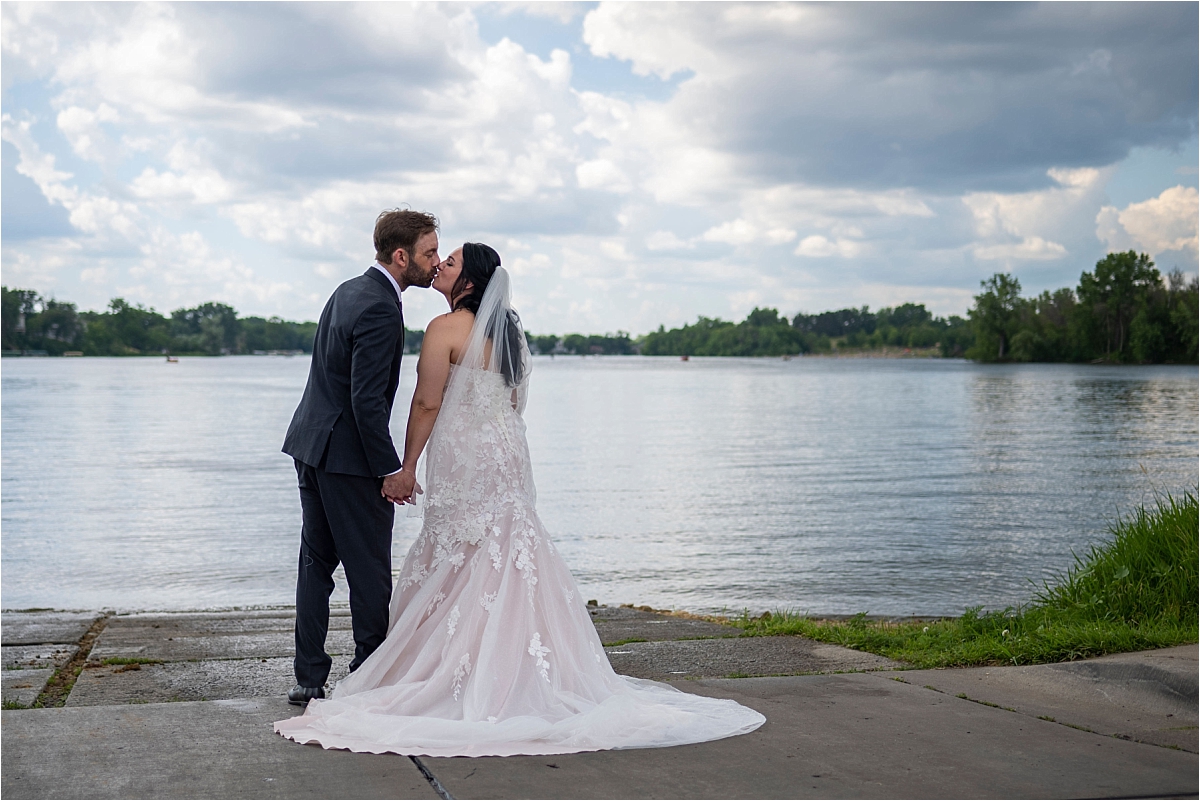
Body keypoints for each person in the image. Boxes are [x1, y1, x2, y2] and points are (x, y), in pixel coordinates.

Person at [275, 243, 765, 756]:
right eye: (437, 256)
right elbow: (510, 402)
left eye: (451, 261)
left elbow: (425, 402)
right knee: (507, 543)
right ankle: (520, 663)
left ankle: (415, 668)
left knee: (462, 548)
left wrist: (407, 467)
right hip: (504, 450)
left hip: (464, 453)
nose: (440, 264)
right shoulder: (507, 333)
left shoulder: (444, 330)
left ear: (469, 282)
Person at [280, 209, 440, 706]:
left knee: (316, 563)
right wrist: (390, 469)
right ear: (401, 255)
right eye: (429, 252)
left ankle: (308, 676)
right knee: (369, 568)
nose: (435, 262)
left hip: (310, 445)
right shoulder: (379, 307)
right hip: (347, 457)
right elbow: (366, 400)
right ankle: (371, 674)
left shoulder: (345, 290)